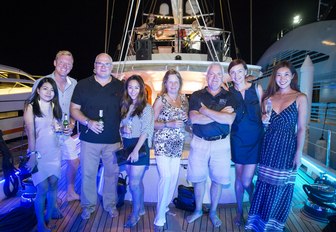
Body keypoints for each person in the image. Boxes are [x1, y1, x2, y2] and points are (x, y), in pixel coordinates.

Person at [245, 60, 308, 231]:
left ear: (293, 76)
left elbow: (302, 128)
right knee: (263, 186)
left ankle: (272, 225)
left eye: (286, 74)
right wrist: (263, 120)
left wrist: (299, 153)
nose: (282, 78)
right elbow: (263, 124)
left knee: (281, 189)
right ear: (275, 77)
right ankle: (257, 224)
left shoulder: (300, 97)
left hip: (287, 148)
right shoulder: (268, 98)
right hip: (268, 146)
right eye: (279, 75)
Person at [70, 53, 124, 220]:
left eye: (107, 64)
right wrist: (88, 122)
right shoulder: (83, 85)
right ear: (94, 66)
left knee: (112, 174)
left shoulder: (120, 86)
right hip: (89, 140)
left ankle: (110, 205)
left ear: (111, 67)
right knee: (88, 174)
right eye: (99, 63)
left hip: (113, 140)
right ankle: (88, 206)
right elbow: (74, 109)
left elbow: (129, 109)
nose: (103, 66)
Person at [186, 63, 237, 228]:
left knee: (218, 180)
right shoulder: (196, 95)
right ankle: (198, 210)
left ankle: (213, 212)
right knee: (198, 180)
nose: (214, 78)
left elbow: (229, 120)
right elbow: (194, 119)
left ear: (222, 77)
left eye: (218, 75)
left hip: (221, 145)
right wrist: (220, 114)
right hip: (199, 143)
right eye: (211, 74)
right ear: (206, 76)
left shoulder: (230, 97)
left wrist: (205, 111)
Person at [32, 50, 79, 204]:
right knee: (52, 169)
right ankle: (52, 197)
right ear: (54, 63)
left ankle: (70, 191)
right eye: (61, 62)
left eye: (68, 64)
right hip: (47, 135)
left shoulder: (75, 84)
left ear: (72, 66)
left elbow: (75, 108)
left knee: (74, 162)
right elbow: (32, 109)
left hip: (66, 132)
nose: (65, 66)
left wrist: (72, 123)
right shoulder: (42, 82)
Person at [228, 59, 264, 226]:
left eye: (239, 71)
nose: (236, 75)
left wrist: (266, 116)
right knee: (239, 178)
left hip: (255, 139)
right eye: (233, 72)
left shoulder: (257, 89)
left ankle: (254, 198)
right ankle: (240, 212)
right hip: (237, 139)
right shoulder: (228, 92)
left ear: (245, 71)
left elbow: (265, 112)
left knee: (246, 181)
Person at [24, 78, 63, 232]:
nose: (49, 92)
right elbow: (30, 133)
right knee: (42, 187)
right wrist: (32, 155)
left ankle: (50, 212)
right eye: (45, 88)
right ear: (38, 90)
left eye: (52, 90)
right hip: (39, 152)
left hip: (54, 150)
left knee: (54, 183)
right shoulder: (31, 106)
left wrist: (61, 128)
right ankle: (41, 224)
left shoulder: (54, 105)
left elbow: (55, 127)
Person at [152, 69, 189, 231]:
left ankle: (165, 206)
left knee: (173, 177)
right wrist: (168, 124)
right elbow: (150, 123)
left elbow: (185, 119)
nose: (173, 84)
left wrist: (186, 119)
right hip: (162, 144)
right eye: (170, 81)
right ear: (165, 83)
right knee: (166, 177)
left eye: (176, 81)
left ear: (180, 84)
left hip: (177, 144)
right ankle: (159, 218)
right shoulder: (160, 100)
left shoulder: (183, 99)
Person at [120, 75, 154, 228]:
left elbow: (146, 131)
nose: (133, 90)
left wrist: (135, 151)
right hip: (127, 144)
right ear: (127, 89)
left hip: (139, 147)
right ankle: (140, 208)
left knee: (133, 183)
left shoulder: (146, 108)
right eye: (130, 87)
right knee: (136, 181)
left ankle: (134, 215)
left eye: (136, 87)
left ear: (141, 89)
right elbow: (121, 126)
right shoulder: (124, 106)